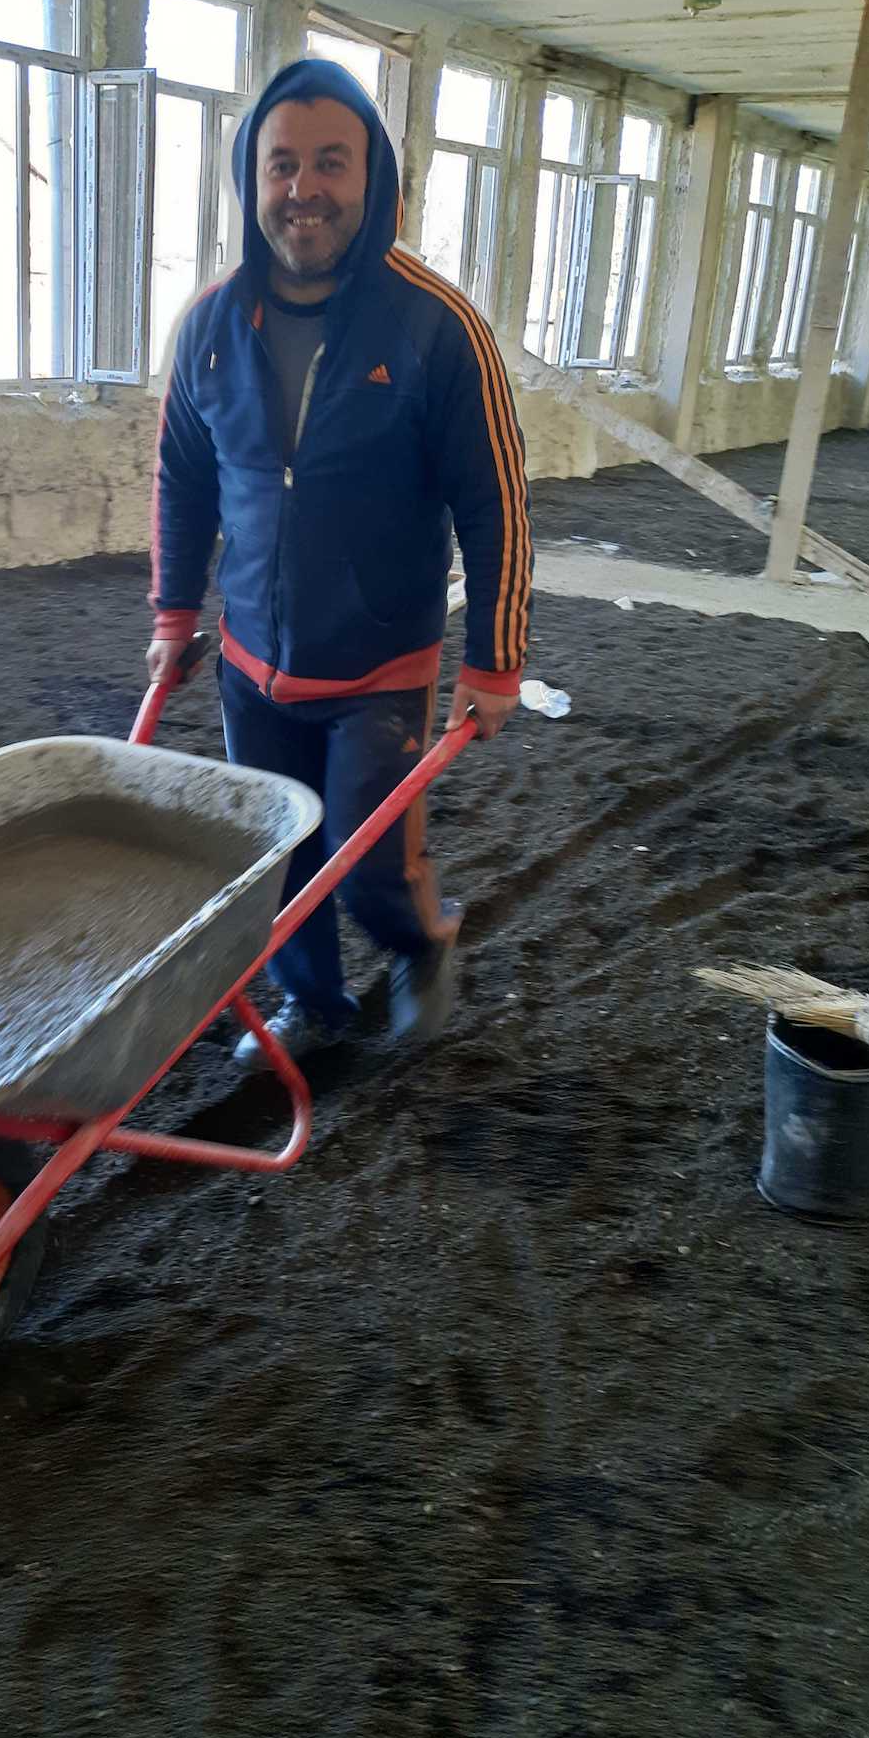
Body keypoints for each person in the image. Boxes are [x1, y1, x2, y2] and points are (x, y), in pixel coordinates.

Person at [147, 57, 532, 1064]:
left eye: (331, 163)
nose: (303, 189)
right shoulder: (211, 325)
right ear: (251, 179)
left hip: (379, 665)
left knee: (367, 865)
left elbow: (493, 497)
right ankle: (311, 1003)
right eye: (282, 164)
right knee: (278, 858)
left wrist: (494, 660)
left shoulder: (436, 327)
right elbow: (183, 476)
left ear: (373, 179)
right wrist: (174, 615)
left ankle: (422, 941)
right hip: (252, 660)